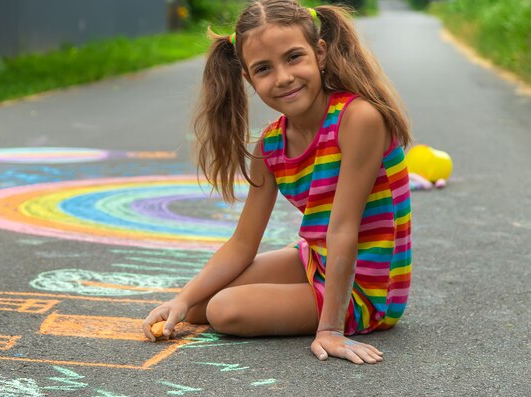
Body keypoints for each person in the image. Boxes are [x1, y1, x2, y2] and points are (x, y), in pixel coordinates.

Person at [143, 0, 412, 365]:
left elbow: (343, 229)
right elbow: (242, 243)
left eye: (293, 57)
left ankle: (331, 312)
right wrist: (181, 298)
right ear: (248, 78)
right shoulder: (270, 146)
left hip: (368, 287)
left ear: (320, 53)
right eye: (264, 68)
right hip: (316, 259)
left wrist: (330, 329)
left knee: (224, 309)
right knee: (198, 307)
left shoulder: (358, 118)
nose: (283, 77)